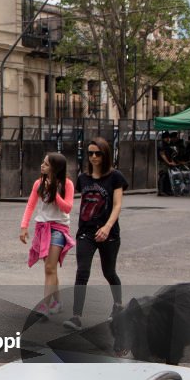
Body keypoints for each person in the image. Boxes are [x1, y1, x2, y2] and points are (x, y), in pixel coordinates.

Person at [62, 138, 127, 331]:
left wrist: (106, 227)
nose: (93, 157)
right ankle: (76, 316)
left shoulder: (116, 177)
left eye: (97, 153)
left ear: (105, 154)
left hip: (109, 232)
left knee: (109, 272)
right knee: (82, 272)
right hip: (86, 232)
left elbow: (117, 205)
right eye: (90, 153)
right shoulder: (83, 178)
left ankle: (118, 306)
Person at [19, 152, 75, 317]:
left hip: (59, 228)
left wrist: (55, 192)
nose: (42, 166)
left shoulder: (67, 184)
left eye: (46, 164)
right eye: (43, 163)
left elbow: (68, 208)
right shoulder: (38, 183)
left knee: (50, 268)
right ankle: (57, 302)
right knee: (51, 269)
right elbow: (30, 206)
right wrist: (24, 227)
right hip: (43, 228)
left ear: (55, 168)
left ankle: (45, 306)